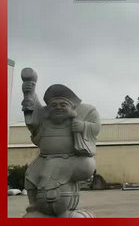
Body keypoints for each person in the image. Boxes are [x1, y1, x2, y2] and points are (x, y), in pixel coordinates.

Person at [21, 68, 100, 217]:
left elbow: (95, 127)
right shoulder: (45, 121)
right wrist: (29, 93)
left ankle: (66, 210)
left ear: (72, 108)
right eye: (54, 105)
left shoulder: (80, 118)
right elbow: (33, 117)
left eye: (63, 105)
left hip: (70, 159)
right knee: (30, 176)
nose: (58, 107)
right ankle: (34, 206)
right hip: (44, 158)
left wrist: (82, 127)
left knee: (86, 164)